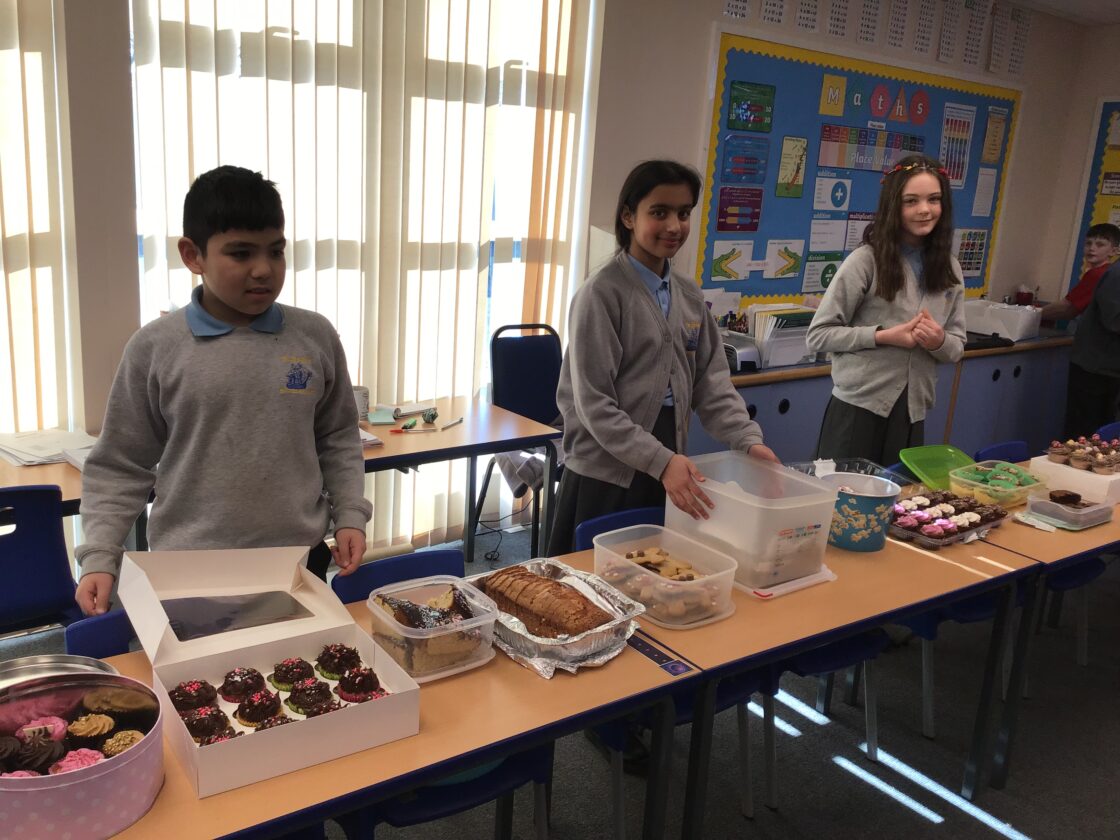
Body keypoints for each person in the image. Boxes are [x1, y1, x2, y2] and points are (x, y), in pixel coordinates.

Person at [74, 166, 372, 615]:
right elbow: (120, 464)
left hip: (296, 563)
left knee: (300, 660)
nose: (263, 269)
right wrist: (100, 555)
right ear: (192, 255)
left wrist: (350, 514)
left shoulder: (315, 336)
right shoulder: (155, 347)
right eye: (240, 253)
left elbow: (337, 436)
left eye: (276, 251)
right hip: (189, 571)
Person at [546, 159, 779, 557]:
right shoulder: (601, 295)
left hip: (667, 460)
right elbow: (594, 405)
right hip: (605, 472)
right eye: (659, 212)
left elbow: (712, 384)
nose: (674, 226)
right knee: (594, 580)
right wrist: (661, 460)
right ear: (628, 217)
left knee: (652, 573)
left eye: (683, 214)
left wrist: (747, 441)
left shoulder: (688, 296)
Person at [806, 153, 966, 467]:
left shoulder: (950, 268)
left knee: (901, 494)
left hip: (911, 412)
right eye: (911, 201)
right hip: (858, 409)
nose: (924, 210)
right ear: (894, 206)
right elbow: (819, 335)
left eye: (934, 199)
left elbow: (956, 347)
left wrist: (939, 341)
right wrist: (882, 336)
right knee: (846, 493)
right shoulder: (866, 261)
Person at [1064, 259, 1120, 437]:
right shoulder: (1116, 275)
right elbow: (1114, 320)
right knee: (1084, 434)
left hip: (1109, 369)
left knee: (1104, 435)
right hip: (1093, 369)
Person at [1040, 223, 1120, 323]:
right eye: (1088, 243)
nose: (1092, 248)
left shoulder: (1097, 274)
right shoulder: (1111, 271)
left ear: (1113, 251)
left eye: (1100, 245)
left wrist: (1032, 313)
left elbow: (1066, 308)